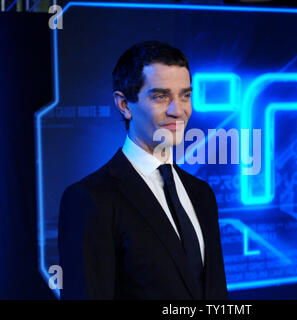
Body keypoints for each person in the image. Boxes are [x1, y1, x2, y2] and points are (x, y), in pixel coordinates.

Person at [58, 40, 228, 300]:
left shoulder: (202, 194)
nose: (178, 111)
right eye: (161, 96)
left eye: (185, 95)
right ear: (124, 105)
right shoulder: (89, 199)